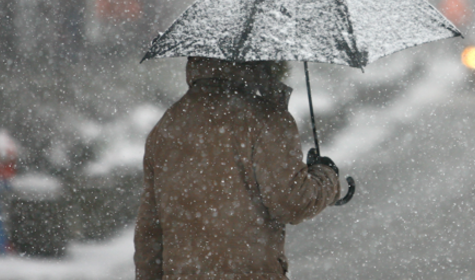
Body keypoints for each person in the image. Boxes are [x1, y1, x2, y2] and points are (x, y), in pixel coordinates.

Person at [134, 56, 341, 280]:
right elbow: (292, 202)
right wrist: (326, 177)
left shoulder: (168, 125)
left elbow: (149, 232)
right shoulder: (266, 119)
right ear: (265, 61)